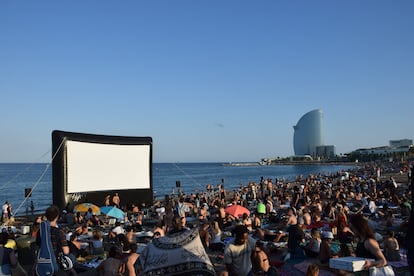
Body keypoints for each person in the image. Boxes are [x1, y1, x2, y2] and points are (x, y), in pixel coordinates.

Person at [36, 205, 77, 276]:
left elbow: (38, 246)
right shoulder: (59, 232)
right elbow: (65, 251)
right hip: (56, 262)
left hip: (43, 261)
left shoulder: (41, 231)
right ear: (57, 217)